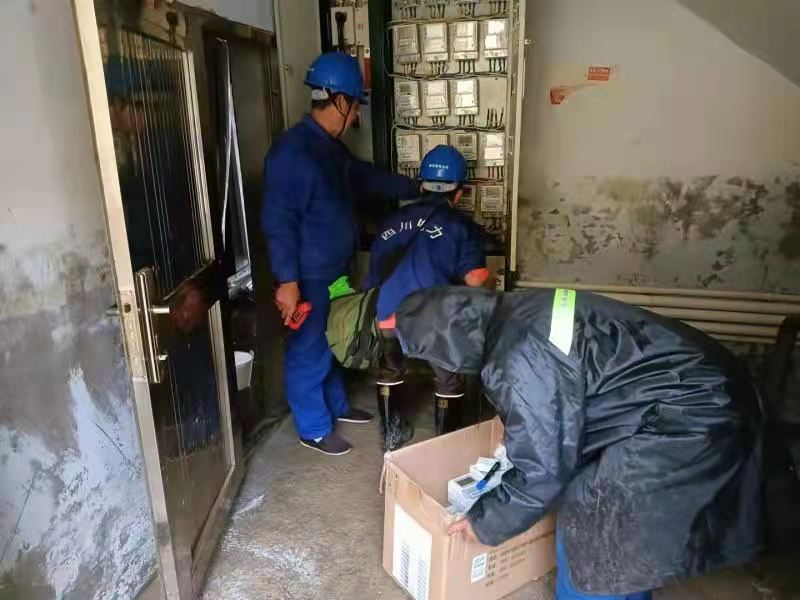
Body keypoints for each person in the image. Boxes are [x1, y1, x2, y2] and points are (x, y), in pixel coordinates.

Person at [394, 287, 763, 599]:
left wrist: (485, 521)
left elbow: (544, 468)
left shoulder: (519, 354)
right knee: (622, 530)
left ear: (451, 345)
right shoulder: (516, 310)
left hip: (693, 413)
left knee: (598, 528)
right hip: (699, 389)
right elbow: (564, 390)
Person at [261, 52, 418, 456]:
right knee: (309, 347)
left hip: (335, 270)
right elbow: (279, 222)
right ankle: (313, 428)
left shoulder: (330, 149)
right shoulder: (291, 152)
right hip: (309, 275)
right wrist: (287, 282)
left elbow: (366, 179)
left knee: (335, 339)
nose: (356, 116)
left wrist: (415, 187)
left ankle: (336, 406)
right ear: (339, 100)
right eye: (355, 105)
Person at [363, 145, 491, 451]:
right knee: (448, 378)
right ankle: (445, 444)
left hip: (384, 315)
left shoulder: (391, 221)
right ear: (459, 193)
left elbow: (376, 270)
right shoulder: (461, 227)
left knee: (390, 370)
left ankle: (391, 435)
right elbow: (476, 280)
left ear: (421, 186)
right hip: (431, 322)